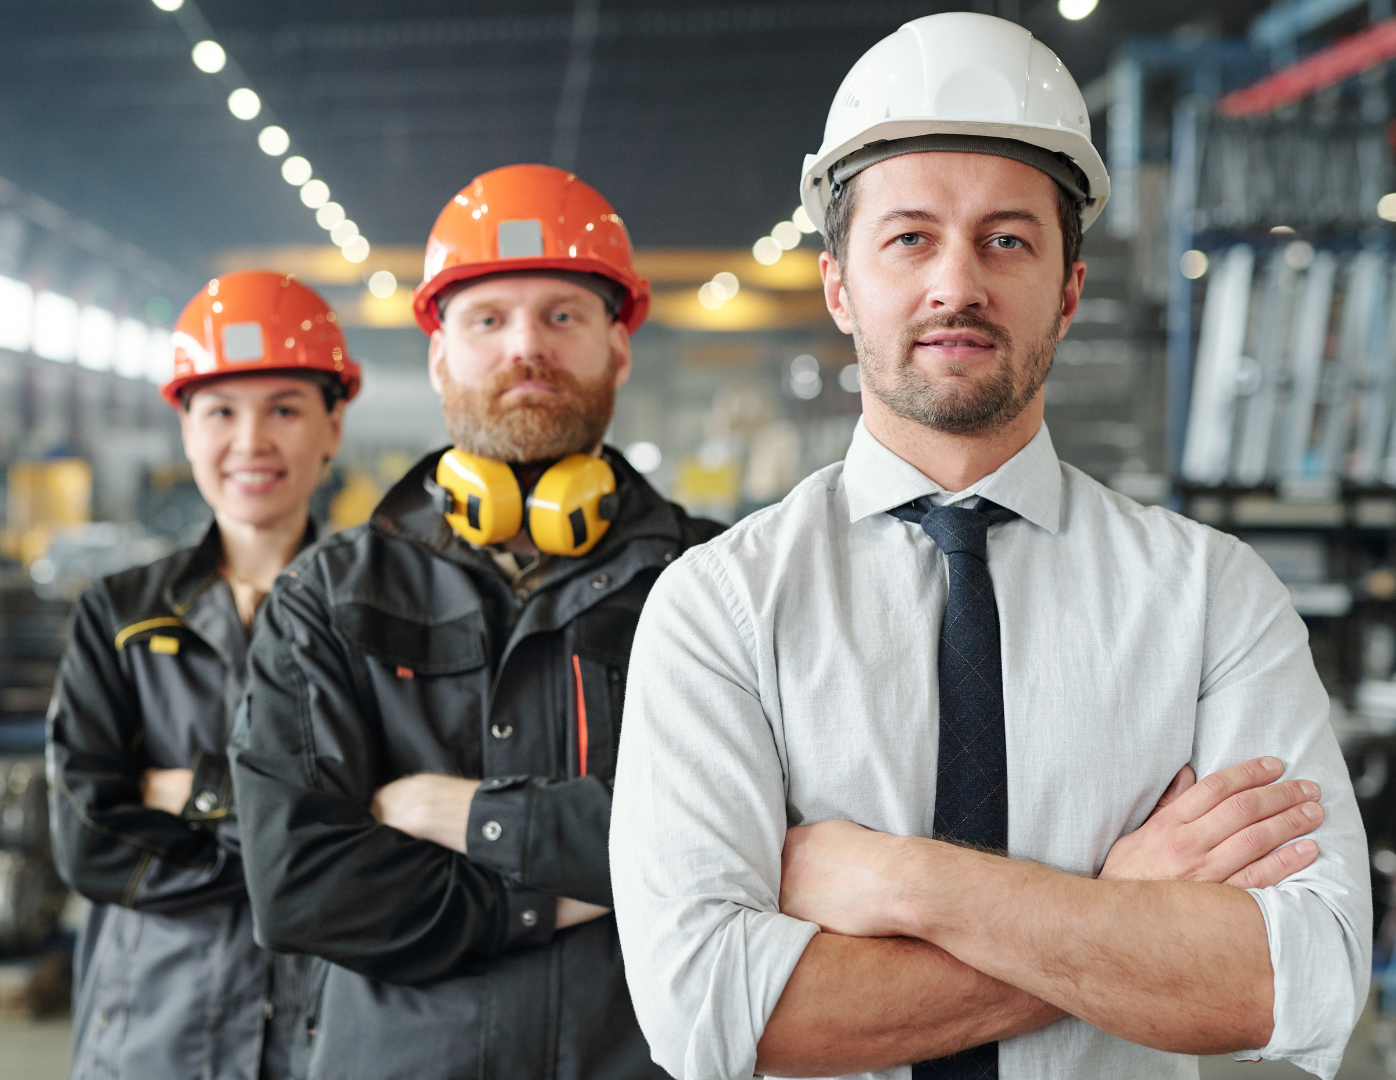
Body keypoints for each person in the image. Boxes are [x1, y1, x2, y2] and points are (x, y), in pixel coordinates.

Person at [610, 13, 1368, 1080]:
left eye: (1006, 238)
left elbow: (1300, 976)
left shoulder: (1208, 598)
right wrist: (1121, 917)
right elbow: (710, 1015)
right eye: (909, 237)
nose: (955, 285)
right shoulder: (722, 608)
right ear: (840, 287)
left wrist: (904, 885)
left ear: (1067, 291)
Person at [228, 163, 723, 1080]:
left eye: (562, 315)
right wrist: (566, 895)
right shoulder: (329, 598)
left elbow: (745, 840)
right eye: (487, 319)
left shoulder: (715, 583)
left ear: (619, 347)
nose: (523, 347)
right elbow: (299, 887)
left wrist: (449, 812)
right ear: (439, 355)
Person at [47, 270, 359, 1080]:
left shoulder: (382, 616)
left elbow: (392, 836)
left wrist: (187, 791)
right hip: (151, 1035)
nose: (251, 441)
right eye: (221, 410)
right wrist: (291, 854)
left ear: (333, 424)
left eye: (284, 408)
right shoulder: (119, 613)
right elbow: (89, 839)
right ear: (185, 428)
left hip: (327, 1036)